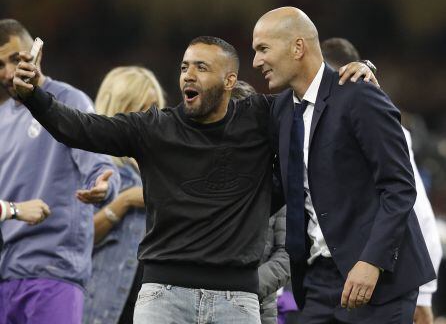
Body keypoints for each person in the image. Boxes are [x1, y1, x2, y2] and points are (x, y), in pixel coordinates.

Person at [13, 35, 372, 323]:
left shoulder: (260, 116)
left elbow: (314, 98)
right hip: (162, 298)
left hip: (237, 301)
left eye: (202, 67)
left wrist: (359, 74)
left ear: (230, 80)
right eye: (185, 67)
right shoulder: (155, 127)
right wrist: (34, 97)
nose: (188, 74)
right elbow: (82, 128)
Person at [252, 7, 435, 323]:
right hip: (317, 281)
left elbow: (400, 187)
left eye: (263, 49)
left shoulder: (358, 95)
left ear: (298, 47)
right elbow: (285, 188)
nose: (256, 61)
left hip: (379, 281)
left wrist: (371, 262)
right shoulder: (280, 109)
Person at [0, 19, 120, 324]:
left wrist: (105, 185)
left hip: (53, 273)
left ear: (36, 53)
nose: (8, 73)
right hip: (4, 276)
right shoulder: (0, 119)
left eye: (15, 59)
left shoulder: (69, 101)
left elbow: (100, 165)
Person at [321, 36, 443, 324]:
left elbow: (416, 210)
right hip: (316, 285)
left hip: (373, 286)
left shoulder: (376, 126)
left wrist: (424, 296)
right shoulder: (299, 125)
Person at [83, 66, 165, 324]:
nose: (150, 117)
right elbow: (79, 238)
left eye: (155, 108)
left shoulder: (163, 166)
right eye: (142, 107)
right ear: (118, 107)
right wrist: (125, 201)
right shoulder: (96, 166)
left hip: (153, 304)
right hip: (103, 300)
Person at [232, 80, 290, 324]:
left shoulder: (275, 179)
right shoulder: (199, 176)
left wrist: (247, 285)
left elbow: (287, 252)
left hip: (258, 310)